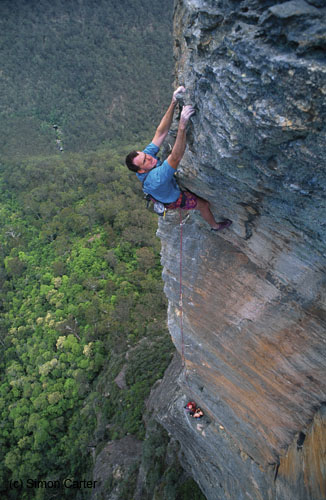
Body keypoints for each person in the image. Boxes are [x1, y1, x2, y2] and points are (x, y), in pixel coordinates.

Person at [125, 86, 232, 231]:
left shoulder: (145, 158)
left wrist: (173, 102)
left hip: (163, 189)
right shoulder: (156, 179)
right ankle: (215, 226)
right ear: (141, 171)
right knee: (203, 205)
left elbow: (160, 133)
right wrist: (182, 126)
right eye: (145, 161)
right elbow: (176, 157)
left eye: (145, 155)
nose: (149, 157)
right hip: (174, 199)